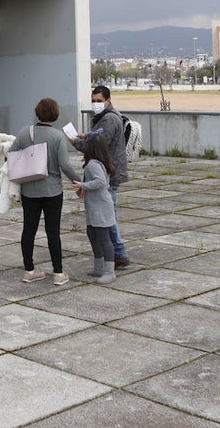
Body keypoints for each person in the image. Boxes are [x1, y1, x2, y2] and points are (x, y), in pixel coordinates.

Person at [10, 98, 82, 286]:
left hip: (29, 190)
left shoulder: (25, 132)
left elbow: (9, 154)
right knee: (53, 232)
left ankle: (29, 270)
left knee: (29, 230)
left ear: (37, 113)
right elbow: (65, 164)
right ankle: (58, 273)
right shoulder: (57, 136)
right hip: (52, 190)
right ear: (55, 115)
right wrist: (78, 181)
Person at [72, 86, 130, 268]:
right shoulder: (104, 117)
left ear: (108, 100)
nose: (96, 104)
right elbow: (97, 136)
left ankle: (119, 254)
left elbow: (99, 145)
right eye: (93, 100)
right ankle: (117, 254)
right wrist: (86, 135)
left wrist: (77, 143)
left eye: (99, 101)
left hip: (108, 174)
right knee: (108, 216)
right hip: (108, 172)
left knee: (107, 218)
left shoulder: (109, 119)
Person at [72, 131, 118, 284]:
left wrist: (82, 185)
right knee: (92, 233)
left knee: (104, 238)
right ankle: (99, 267)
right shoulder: (99, 162)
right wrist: (84, 188)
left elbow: (101, 182)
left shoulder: (93, 164)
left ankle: (109, 271)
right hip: (96, 206)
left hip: (100, 207)